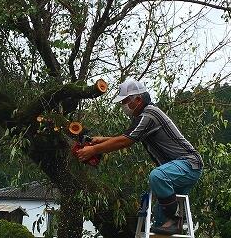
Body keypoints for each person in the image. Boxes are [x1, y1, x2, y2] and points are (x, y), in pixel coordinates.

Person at [76, 79, 203, 235]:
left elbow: (126, 140)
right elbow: (127, 136)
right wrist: (102, 140)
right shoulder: (143, 115)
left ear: (137, 99)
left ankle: (175, 220)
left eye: (125, 101)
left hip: (188, 164)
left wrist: (93, 150)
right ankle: (171, 222)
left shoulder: (150, 114)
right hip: (178, 168)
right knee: (160, 226)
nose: (123, 105)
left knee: (157, 177)